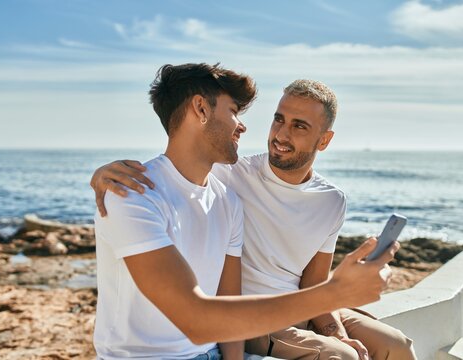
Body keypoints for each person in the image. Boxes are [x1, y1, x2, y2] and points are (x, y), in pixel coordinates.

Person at [91, 62, 401, 360]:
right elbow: (196, 319)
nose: (244, 126)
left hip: (223, 343)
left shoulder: (227, 198)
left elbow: (233, 297)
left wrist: (335, 316)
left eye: (299, 125)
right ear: (200, 109)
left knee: (397, 346)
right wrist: (337, 292)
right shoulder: (133, 193)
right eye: (234, 112)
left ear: (324, 140)